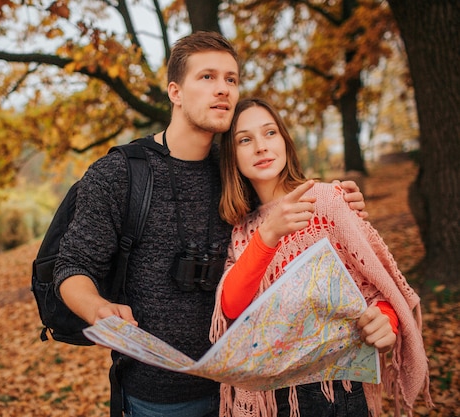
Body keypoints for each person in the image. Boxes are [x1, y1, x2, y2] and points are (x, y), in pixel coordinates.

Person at [53, 32, 366, 417]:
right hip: (159, 397)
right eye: (207, 77)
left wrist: (335, 201)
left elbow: (283, 197)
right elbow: (71, 266)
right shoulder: (120, 173)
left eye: (231, 79)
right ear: (175, 92)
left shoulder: (236, 166)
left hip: (249, 391)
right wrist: (96, 308)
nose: (223, 89)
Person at [210, 97, 432, 417]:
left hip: (337, 392)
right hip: (274, 400)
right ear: (232, 156)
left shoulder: (326, 201)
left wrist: (387, 320)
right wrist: (268, 236)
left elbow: (376, 284)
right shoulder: (243, 231)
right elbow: (231, 307)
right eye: (245, 139)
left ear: (285, 142)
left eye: (269, 133)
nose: (260, 146)